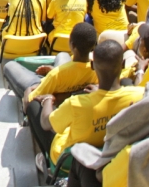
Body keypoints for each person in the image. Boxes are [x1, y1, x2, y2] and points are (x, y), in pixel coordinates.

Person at [37, 39, 143, 168]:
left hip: (68, 163)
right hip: (112, 157)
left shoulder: (75, 104)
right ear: (123, 64)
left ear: (92, 65)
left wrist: (47, 100)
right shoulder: (140, 95)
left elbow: (45, 123)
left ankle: (46, 162)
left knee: (34, 106)